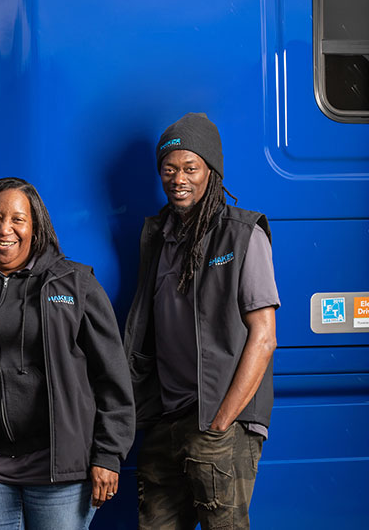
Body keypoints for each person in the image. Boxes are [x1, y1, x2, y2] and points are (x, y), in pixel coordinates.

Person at [0, 177, 135, 529]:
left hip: (59, 465)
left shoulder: (75, 284)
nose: (5, 229)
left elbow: (112, 376)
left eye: (18, 219)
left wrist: (109, 455)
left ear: (35, 228)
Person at [124, 113, 279, 530]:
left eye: (190, 168)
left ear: (211, 171)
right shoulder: (157, 238)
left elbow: (264, 338)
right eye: (169, 169)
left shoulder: (243, 235)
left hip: (219, 425)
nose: (179, 179)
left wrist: (221, 421)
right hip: (165, 421)